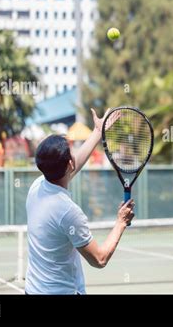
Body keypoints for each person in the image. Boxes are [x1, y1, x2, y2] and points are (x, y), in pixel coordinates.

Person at [25, 108, 134, 294]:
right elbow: (99, 259)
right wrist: (121, 222)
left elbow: (70, 169)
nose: (75, 152)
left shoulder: (36, 187)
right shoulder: (68, 211)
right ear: (69, 164)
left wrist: (98, 132)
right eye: (71, 151)